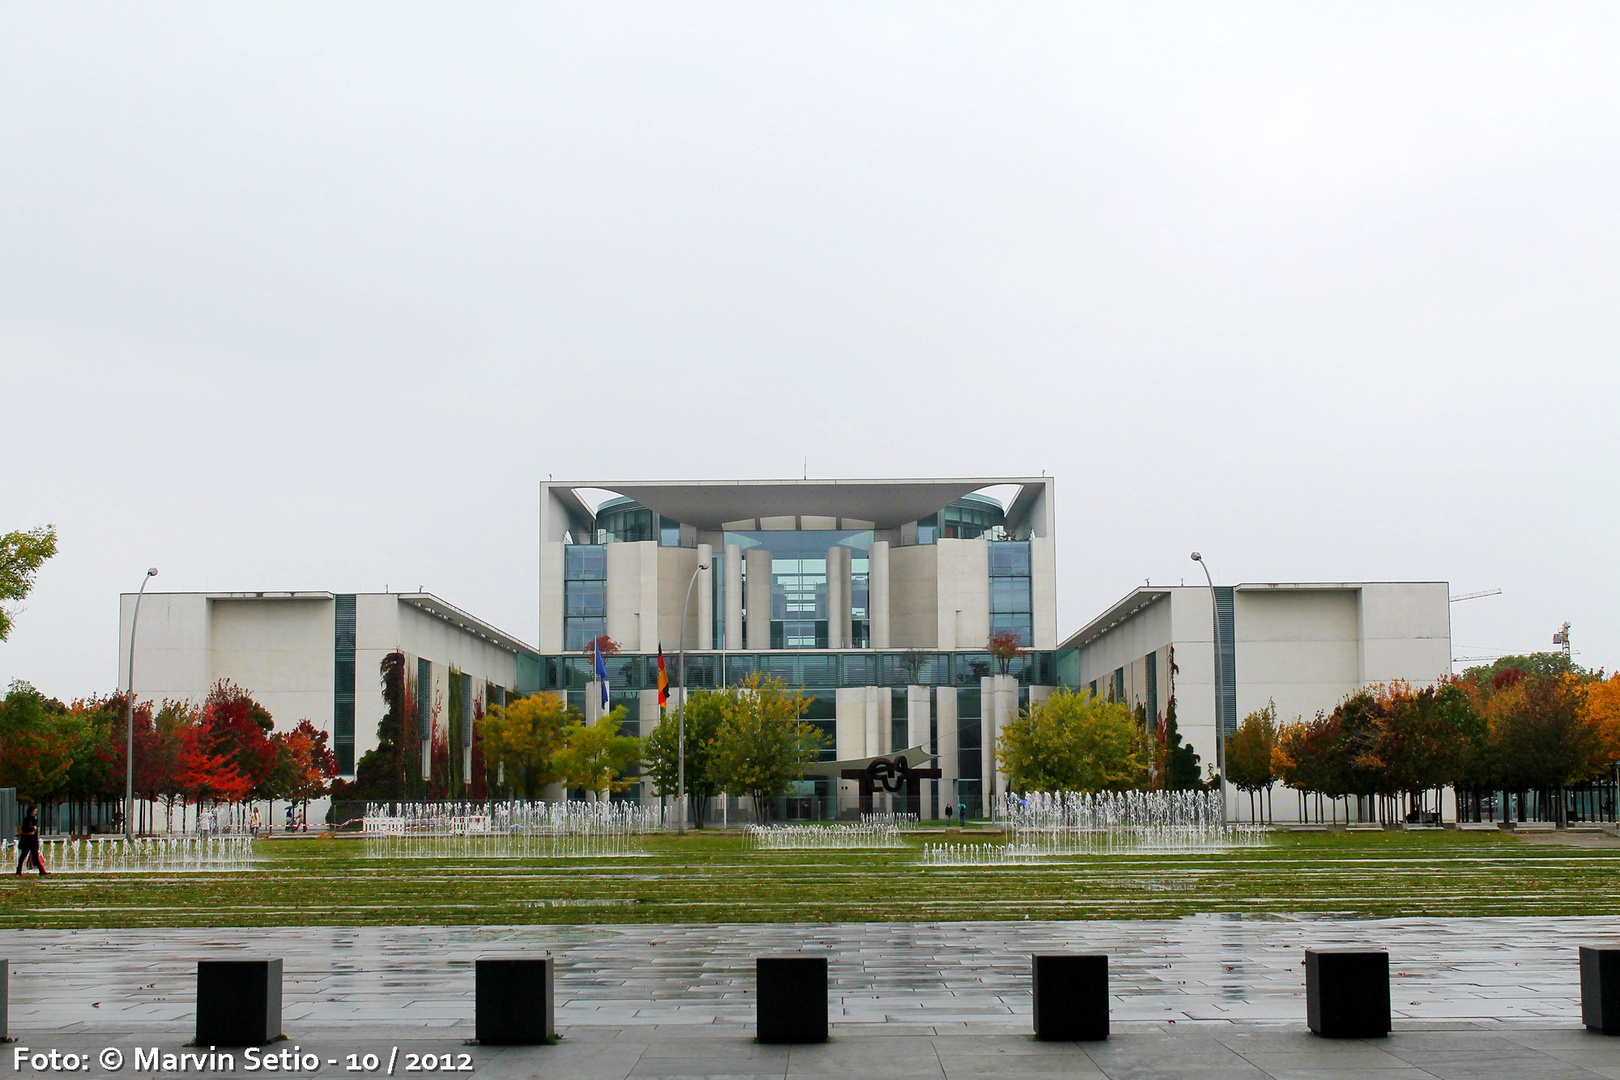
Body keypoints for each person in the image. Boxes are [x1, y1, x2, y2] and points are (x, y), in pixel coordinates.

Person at [15, 806, 48, 876]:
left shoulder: (33, 819)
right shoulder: (28, 819)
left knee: (34, 856)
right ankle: (19, 870)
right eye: (34, 811)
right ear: (31, 811)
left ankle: (41, 870)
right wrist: (33, 828)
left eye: (36, 811)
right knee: (24, 855)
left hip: (32, 840)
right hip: (28, 841)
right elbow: (25, 828)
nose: (35, 813)